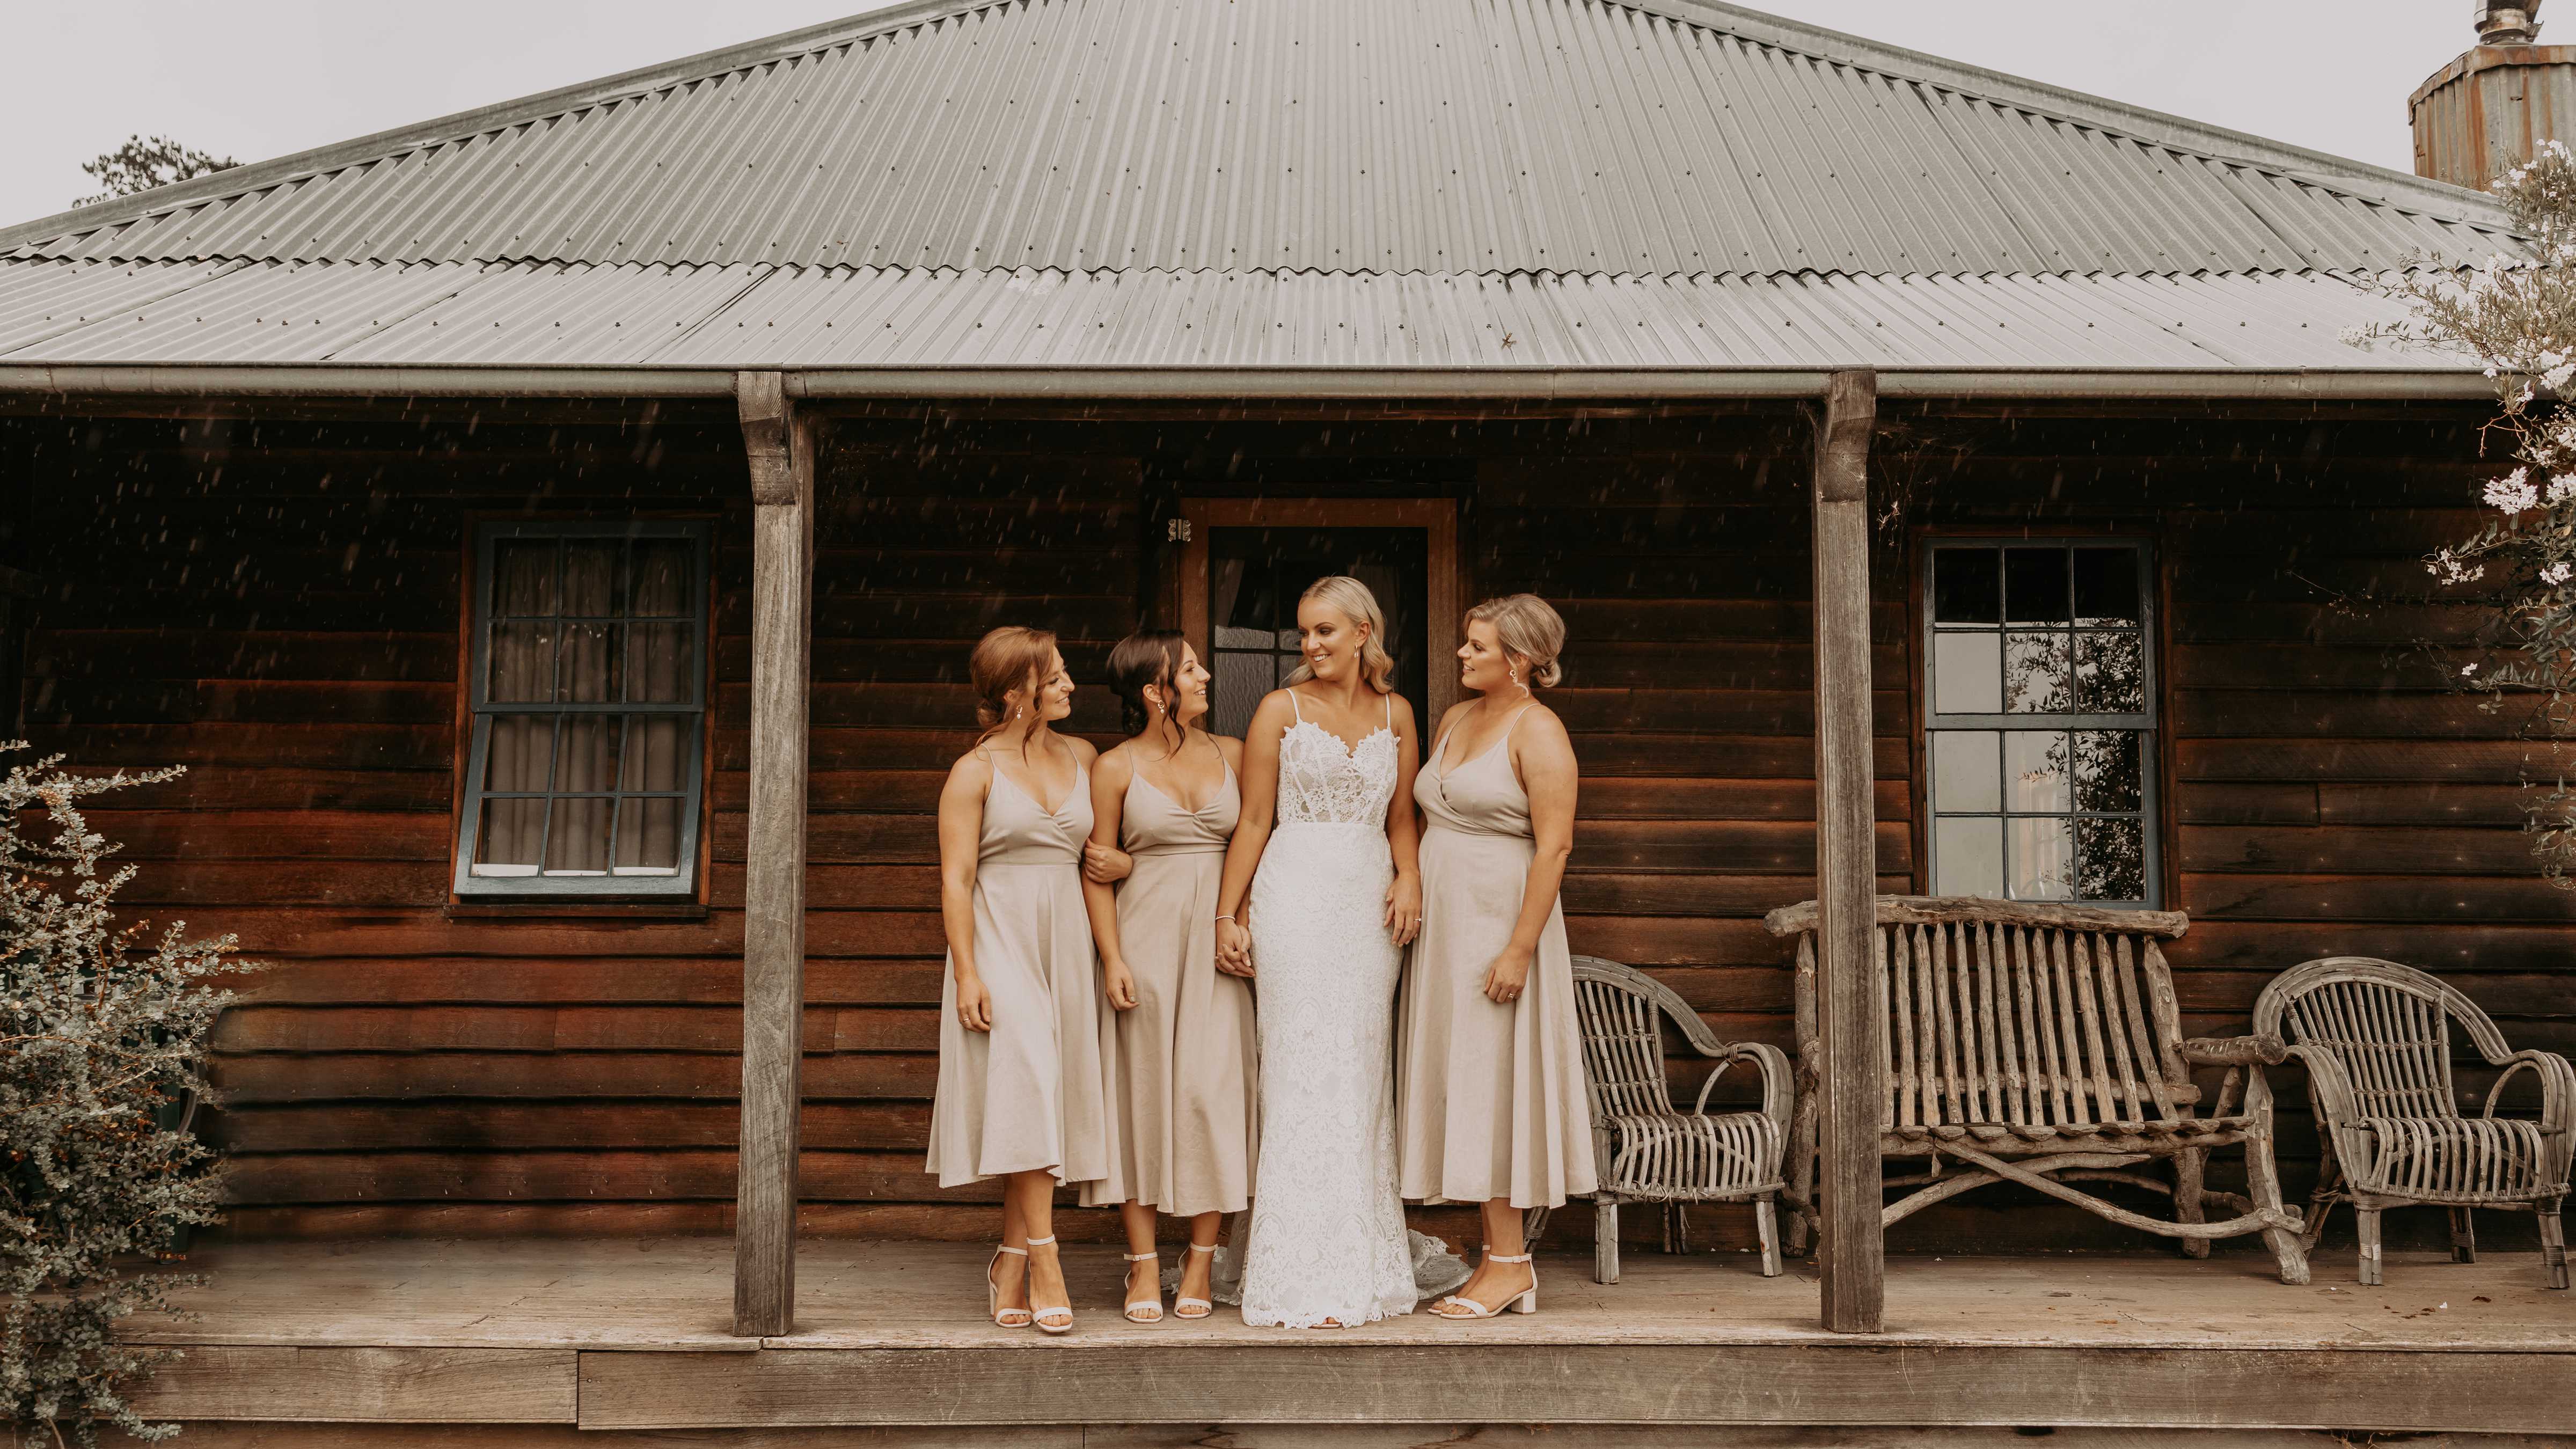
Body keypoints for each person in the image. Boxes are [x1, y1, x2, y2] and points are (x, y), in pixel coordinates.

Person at [1212, 575, 1426, 1328]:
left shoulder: (1399, 714)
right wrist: (1227, 912)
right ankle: (1293, 1268)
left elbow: (1402, 816)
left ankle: (1359, 1264)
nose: (1311, 646)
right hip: (1295, 900)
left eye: (1326, 632)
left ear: (1365, 632)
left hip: (1367, 906)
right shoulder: (1280, 709)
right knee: (1299, 1070)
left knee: (1361, 1073)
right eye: (1305, 632)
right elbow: (1254, 821)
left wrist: (1409, 875)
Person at [1397, 594, 1594, 1319]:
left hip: (1498, 922)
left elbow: (1557, 847)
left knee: (1495, 1085)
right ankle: (1498, 1255)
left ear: (1518, 659)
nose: (1462, 654)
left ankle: (1509, 1263)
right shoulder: (1456, 719)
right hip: (1446, 928)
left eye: (1477, 646)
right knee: (1464, 1081)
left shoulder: (1538, 731)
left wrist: (1519, 948)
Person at [924, 626, 1107, 1334]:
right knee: (1027, 1077)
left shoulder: (1085, 756)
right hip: (999, 933)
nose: (1069, 687)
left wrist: (1116, 867)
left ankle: (1008, 1256)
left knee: (1034, 1096)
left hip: (1065, 935)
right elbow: (955, 878)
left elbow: (1107, 847)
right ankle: (1045, 1255)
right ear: (1016, 691)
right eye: (1056, 677)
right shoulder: (974, 772)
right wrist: (967, 971)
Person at [1078, 631, 1257, 1324]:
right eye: (1189, 669)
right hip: (1146, 940)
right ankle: (1144, 1264)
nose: (1205, 674)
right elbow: (1098, 868)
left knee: (1211, 1093)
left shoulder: (1236, 755)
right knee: (1143, 1095)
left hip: (1217, 943)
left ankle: (1202, 1262)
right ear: (1156, 693)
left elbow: (1259, 837)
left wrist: (1240, 919)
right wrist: (1112, 958)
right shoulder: (1114, 768)